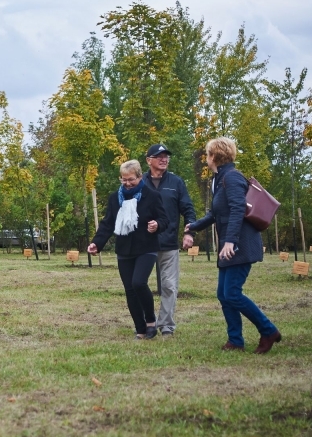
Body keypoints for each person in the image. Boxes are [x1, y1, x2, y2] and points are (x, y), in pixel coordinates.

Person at [185, 137, 281, 353]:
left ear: (215, 156)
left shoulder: (232, 177)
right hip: (230, 245)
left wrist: (230, 241)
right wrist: (194, 225)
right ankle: (235, 340)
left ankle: (268, 330)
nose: (206, 159)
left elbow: (238, 208)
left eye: (207, 155)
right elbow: (216, 213)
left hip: (240, 244)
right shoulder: (220, 179)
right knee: (224, 294)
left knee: (233, 294)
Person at [87, 159, 169, 340]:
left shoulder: (152, 195)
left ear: (140, 176)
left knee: (138, 283)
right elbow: (108, 224)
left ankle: (150, 321)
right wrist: (96, 243)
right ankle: (140, 329)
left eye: (131, 179)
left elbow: (164, 220)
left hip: (146, 247)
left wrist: (157, 225)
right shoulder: (115, 198)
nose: (127, 183)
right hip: (124, 249)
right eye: (123, 180)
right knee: (129, 289)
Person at [143, 144, 197, 337]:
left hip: (168, 244)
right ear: (149, 160)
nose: (164, 159)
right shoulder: (139, 181)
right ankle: (146, 323)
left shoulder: (176, 182)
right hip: (143, 245)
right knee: (139, 284)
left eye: (166, 156)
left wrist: (190, 233)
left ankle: (166, 325)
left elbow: (188, 209)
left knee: (169, 286)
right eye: (159, 156)